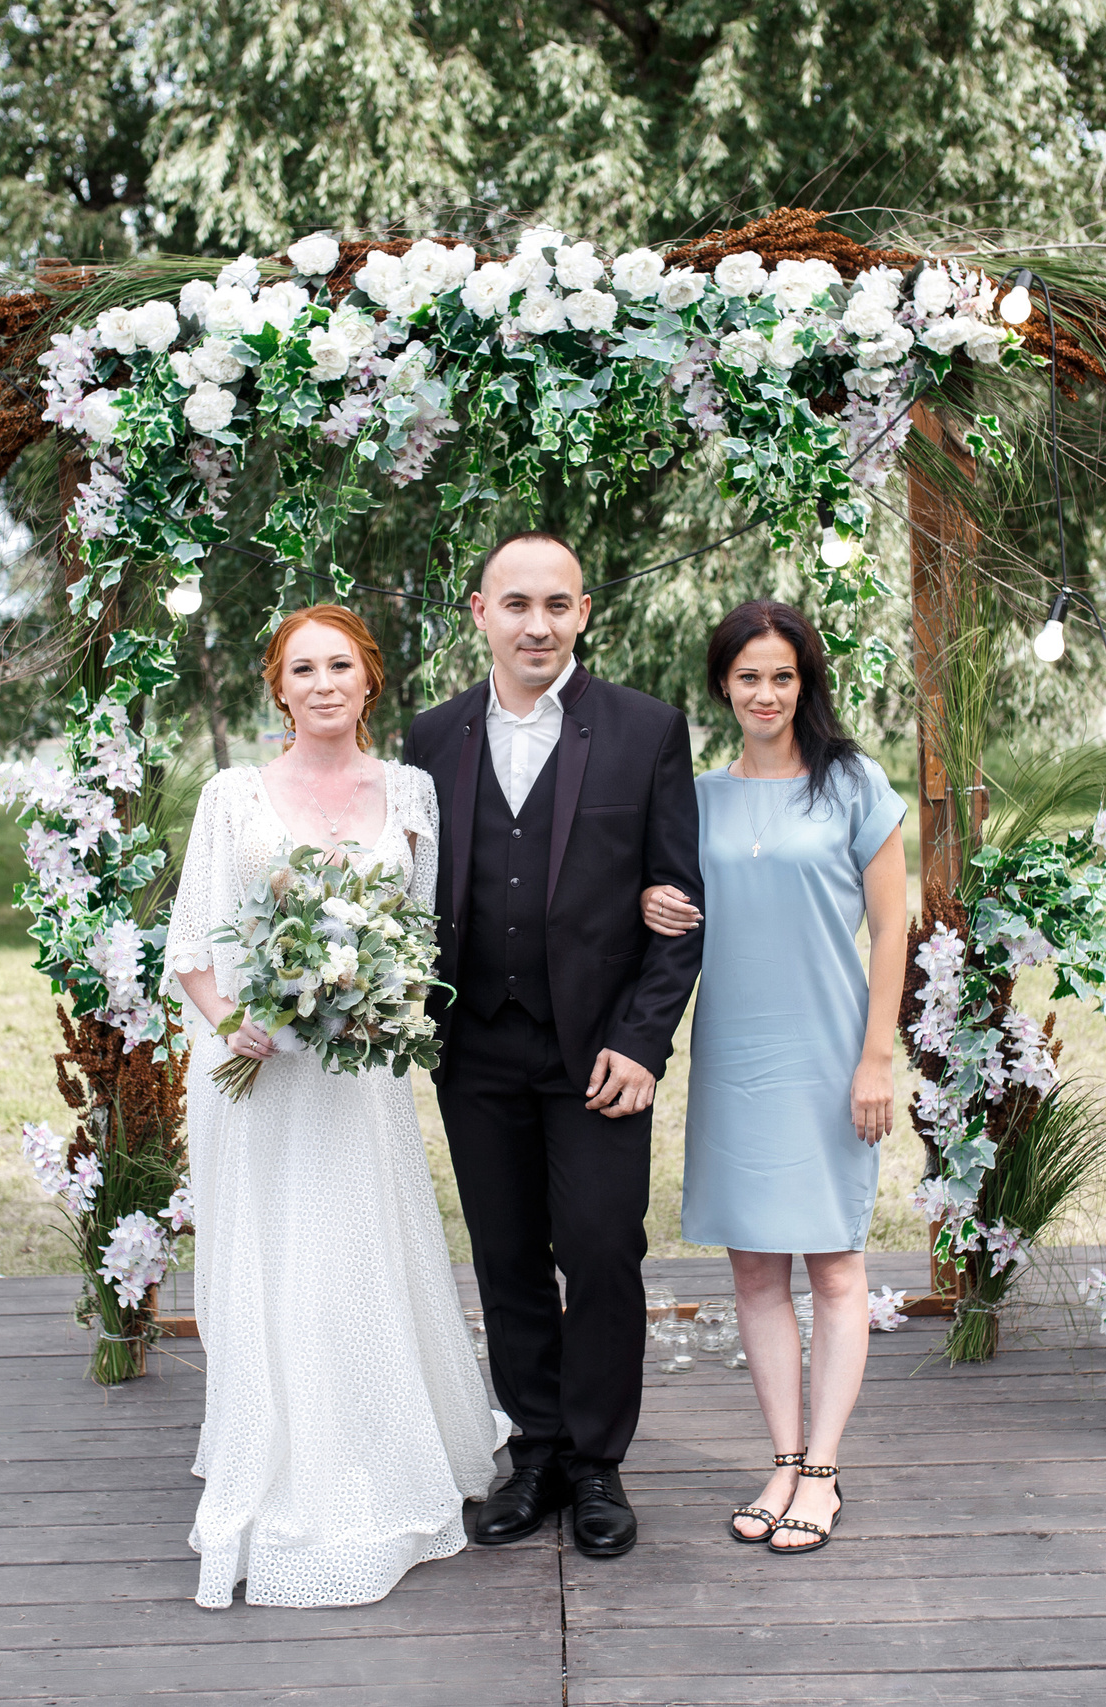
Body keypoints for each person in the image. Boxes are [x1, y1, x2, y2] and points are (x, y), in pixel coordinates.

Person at [166, 603, 509, 1610]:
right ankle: (283, 1463)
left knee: (356, 1253)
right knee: (278, 1258)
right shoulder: (231, 796)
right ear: (278, 686)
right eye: (302, 668)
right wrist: (233, 1022)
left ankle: (379, 1443)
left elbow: (419, 936)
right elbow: (192, 946)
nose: (322, 683)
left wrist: (381, 999)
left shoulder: (410, 792)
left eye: (340, 666)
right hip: (262, 1076)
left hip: (357, 1077)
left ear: (370, 679)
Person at [401, 532, 705, 1560]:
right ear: (477, 610)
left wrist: (643, 1041)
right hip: (476, 1044)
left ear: (585, 612)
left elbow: (681, 907)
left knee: (602, 1249)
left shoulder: (646, 731)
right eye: (515, 604)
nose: (537, 624)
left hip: (599, 1054)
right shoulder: (428, 739)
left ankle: (597, 1462)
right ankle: (532, 1450)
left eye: (557, 605)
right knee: (506, 1257)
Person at [639, 599, 907, 1555]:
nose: (765, 692)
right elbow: (671, 895)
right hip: (736, 1055)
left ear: (806, 683)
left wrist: (877, 1057)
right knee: (754, 1264)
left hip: (832, 1053)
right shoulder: (700, 798)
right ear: (723, 685)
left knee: (833, 1262)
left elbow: (893, 931)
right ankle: (783, 1459)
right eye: (748, 676)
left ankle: (825, 1471)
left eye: (782, 676)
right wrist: (651, 898)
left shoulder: (854, 785)